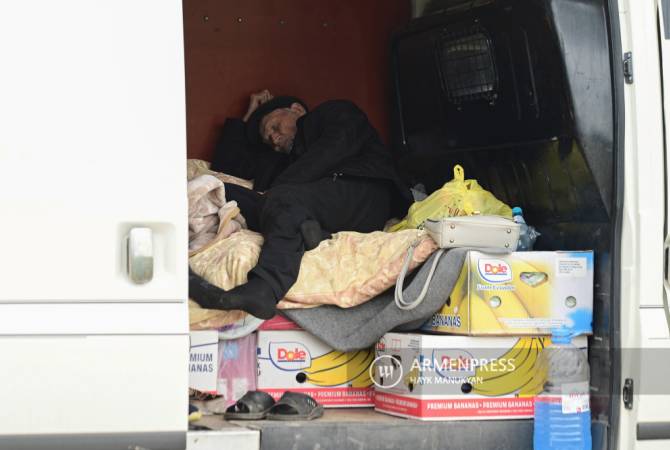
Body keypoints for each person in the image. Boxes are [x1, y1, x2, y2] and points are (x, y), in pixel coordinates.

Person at [189, 90, 412, 319]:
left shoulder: (333, 112)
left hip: (361, 191)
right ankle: (314, 233)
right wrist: (247, 118)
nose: (274, 139)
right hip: (307, 205)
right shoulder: (281, 161)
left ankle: (265, 288)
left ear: (296, 110)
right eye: (269, 139)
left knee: (280, 198)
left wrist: (279, 190)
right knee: (223, 189)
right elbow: (226, 167)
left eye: (275, 127)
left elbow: (334, 147)